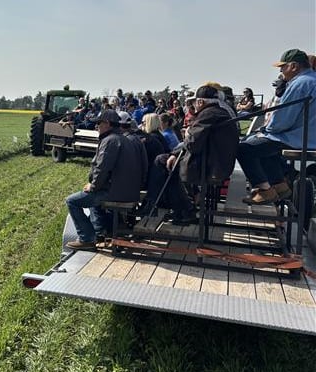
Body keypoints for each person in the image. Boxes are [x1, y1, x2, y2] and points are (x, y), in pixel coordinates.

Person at [237, 49, 316, 205]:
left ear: (294, 66)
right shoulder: (311, 79)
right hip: (307, 137)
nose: (281, 71)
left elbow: (283, 118)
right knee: (263, 145)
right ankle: (279, 185)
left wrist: (265, 130)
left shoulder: (301, 83)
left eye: (283, 67)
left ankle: (265, 190)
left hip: (299, 138)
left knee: (243, 148)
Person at [65, 110, 145, 249]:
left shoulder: (110, 140)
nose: (96, 126)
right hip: (128, 191)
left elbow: (102, 168)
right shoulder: (124, 139)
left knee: (72, 201)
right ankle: (100, 231)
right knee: (91, 200)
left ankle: (87, 239)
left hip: (116, 193)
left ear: (107, 123)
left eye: (99, 123)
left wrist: (93, 186)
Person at [162, 85, 239, 217]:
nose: (193, 106)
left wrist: (187, 133)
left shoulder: (208, 113)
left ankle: (184, 209)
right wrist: (175, 152)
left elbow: (192, 144)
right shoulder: (219, 111)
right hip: (217, 162)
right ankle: (187, 202)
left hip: (212, 166)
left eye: (194, 102)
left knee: (163, 164)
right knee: (170, 160)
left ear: (200, 102)